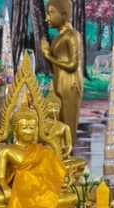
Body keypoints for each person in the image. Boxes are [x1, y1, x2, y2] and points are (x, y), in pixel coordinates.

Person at [40, 0, 83, 145]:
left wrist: (48, 56)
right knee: (57, 122)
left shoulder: (72, 35)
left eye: (51, 13)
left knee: (68, 124)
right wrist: (46, 55)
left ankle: (69, 158)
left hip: (70, 85)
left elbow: (72, 65)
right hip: (57, 82)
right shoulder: (57, 38)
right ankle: (59, 156)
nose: (47, 18)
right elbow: (53, 68)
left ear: (64, 15)